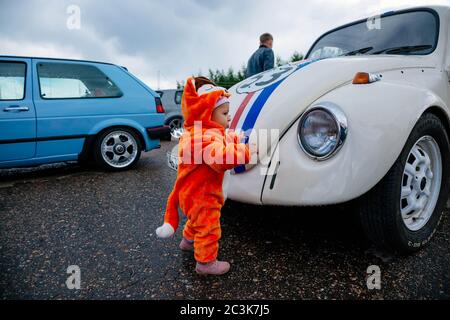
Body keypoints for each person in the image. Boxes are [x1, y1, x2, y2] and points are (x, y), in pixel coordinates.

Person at [156, 76, 253, 276]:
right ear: (207, 113)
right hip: (202, 194)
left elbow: (223, 138)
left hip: (192, 194)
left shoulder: (201, 131)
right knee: (208, 225)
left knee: (196, 220)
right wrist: (246, 151)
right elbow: (221, 157)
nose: (229, 118)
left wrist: (237, 137)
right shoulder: (201, 137)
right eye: (225, 113)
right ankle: (206, 263)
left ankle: (188, 242)